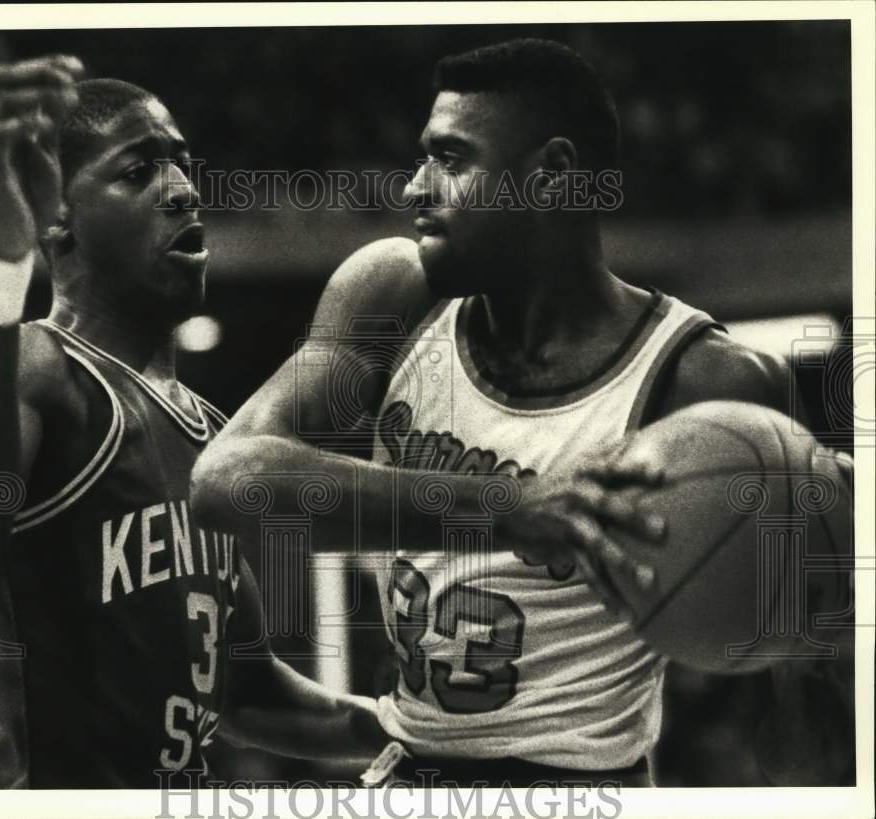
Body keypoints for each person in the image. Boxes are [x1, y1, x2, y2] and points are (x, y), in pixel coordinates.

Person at [189, 38, 853, 787]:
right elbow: (225, 479)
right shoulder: (392, 296)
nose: (414, 187)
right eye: (421, 156)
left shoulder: (703, 377)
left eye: (451, 158)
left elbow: (809, 701)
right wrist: (508, 508)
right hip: (409, 772)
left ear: (552, 175)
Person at [0, 55, 384, 789]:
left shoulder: (212, 432)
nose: (180, 189)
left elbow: (246, 693)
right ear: (57, 219)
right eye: (137, 171)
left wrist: (406, 730)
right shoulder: (43, 364)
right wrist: (2, 259)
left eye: (180, 164)